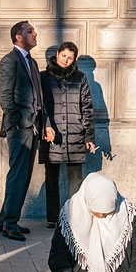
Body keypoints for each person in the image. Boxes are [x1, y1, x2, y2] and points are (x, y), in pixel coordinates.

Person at [0, 21, 54, 241]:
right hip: (21, 127)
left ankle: (5, 220)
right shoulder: (9, 61)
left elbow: (38, 97)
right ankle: (9, 225)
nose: (35, 33)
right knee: (18, 175)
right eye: (30, 31)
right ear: (18, 37)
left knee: (22, 175)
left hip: (33, 126)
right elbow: (5, 97)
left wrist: (45, 123)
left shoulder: (31, 61)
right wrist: (19, 121)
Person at [39, 41, 96, 229]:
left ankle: (73, 217)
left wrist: (89, 137)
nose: (66, 60)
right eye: (64, 56)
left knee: (76, 180)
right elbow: (39, 107)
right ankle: (53, 218)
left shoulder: (80, 78)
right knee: (51, 179)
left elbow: (87, 107)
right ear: (57, 54)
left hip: (75, 135)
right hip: (52, 135)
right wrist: (45, 127)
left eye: (70, 58)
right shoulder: (43, 77)